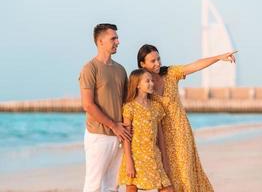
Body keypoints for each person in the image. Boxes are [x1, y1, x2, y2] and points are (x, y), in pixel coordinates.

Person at [137, 44, 237, 192]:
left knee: (185, 175)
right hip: (160, 138)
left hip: (181, 133)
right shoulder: (142, 84)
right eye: (152, 61)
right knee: (166, 179)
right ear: (142, 64)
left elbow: (195, 65)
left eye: (159, 59)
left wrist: (218, 58)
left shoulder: (170, 73)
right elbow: (134, 109)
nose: (158, 63)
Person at [79, 23, 131, 192]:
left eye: (117, 38)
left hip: (119, 136)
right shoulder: (90, 68)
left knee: (112, 186)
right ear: (100, 42)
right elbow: (88, 105)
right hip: (98, 135)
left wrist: (123, 129)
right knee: (93, 185)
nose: (118, 41)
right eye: (113, 38)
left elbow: (125, 103)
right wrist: (113, 125)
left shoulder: (120, 70)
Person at [118, 69, 174, 192]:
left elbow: (160, 136)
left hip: (154, 156)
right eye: (147, 81)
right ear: (137, 84)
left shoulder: (156, 107)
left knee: (168, 188)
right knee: (132, 187)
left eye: (152, 81)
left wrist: (164, 159)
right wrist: (129, 162)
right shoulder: (129, 107)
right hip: (135, 156)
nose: (151, 84)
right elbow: (126, 137)